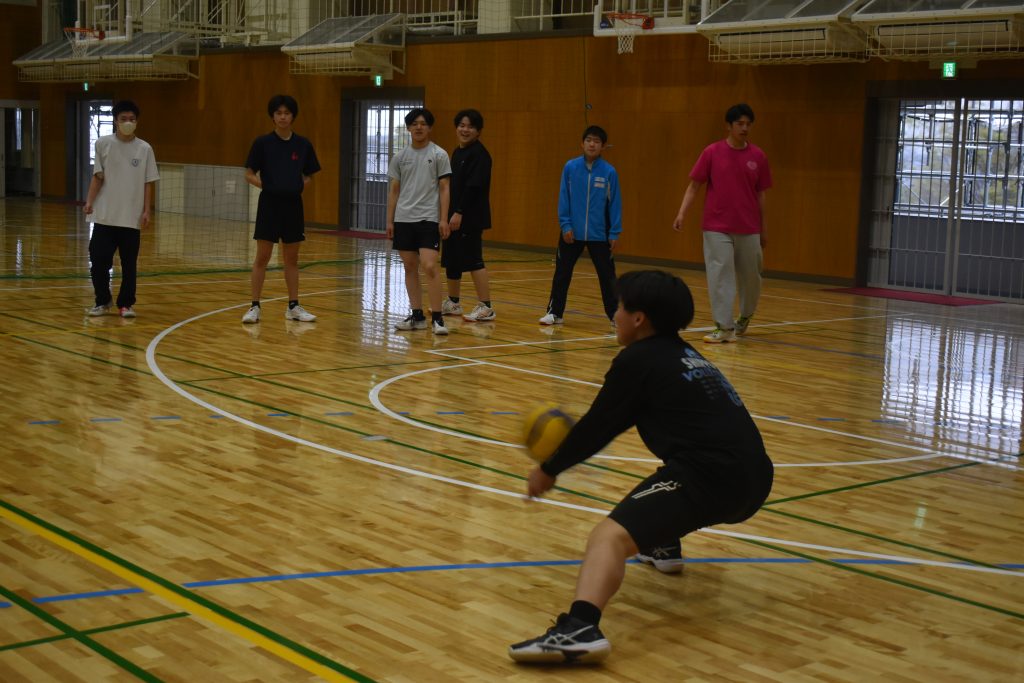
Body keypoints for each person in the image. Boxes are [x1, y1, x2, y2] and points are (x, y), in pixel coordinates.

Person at [509, 270, 774, 664]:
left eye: (619, 307)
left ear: (638, 318)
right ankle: (662, 544)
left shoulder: (637, 360)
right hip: (755, 477)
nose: (614, 314)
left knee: (607, 538)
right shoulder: (686, 354)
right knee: (669, 475)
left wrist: (549, 469)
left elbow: (598, 427)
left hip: (712, 478)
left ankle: (580, 629)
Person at [673, 103, 772, 343]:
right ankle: (724, 327)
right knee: (720, 275)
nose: (744, 128)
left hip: (749, 227)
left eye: (748, 124)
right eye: (740, 123)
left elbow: (761, 195)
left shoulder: (758, 156)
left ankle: (745, 316)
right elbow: (694, 186)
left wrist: (764, 228)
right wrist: (682, 213)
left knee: (751, 277)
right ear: (729, 126)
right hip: (716, 227)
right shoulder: (712, 152)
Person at [241, 94, 321, 324]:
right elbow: (248, 174)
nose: (283, 117)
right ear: (273, 116)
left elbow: (310, 175)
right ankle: (254, 306)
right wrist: (267, 186)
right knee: (262, 257)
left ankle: (293, 306)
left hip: (293, 206)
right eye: (279, 113)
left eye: (287, 113)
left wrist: (297, 186)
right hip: (269, 205)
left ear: (293, 116)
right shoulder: (262, 143)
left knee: (291, 258)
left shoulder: (303, 144)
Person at [539, 125, 622, 326]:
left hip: (600, 234)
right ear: (582, 143)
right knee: (562, 273)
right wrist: (565, 225)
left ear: (603, 146)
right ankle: (555, 312)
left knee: (607, 276)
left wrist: (614, 232)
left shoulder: (609, 172)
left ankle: (615, 315)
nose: (592, 144)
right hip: (571, 233)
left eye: (597, 141)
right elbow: (564, 197)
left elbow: (615, 204)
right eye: (588, 140)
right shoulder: (570, 167)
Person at [84, 100, 159, 319]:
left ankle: (126, 304)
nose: (128, 122)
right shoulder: (103, 144)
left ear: (137, 121)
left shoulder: (145, 149)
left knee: (129, 265)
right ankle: (102, 300)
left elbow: (148, 182)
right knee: (98, 261)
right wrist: (89, 201)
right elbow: (98, 177)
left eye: (132, 119)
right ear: (116, 121)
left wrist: (147, 210)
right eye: (124, 119)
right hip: (104, 216)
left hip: (131, 218)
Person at [387, 108, 453, 335]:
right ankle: (417, 316)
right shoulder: (400, 157)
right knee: (409, 266)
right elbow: (394, 191)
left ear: (430, 127)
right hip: (404, 219)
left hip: (428, 219)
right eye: (414, 123)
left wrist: (443, 219)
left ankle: (437, 319)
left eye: (423, 123)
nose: (419, 127)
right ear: (408, 128)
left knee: (430, 266)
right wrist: (390, 221)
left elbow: (444, 188)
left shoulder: (439, 154)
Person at [440, 109, 496, 323]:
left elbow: (473, 188)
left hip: (469, 217)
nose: (465, 130)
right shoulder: (457, 152)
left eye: (470, 126)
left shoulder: (480, 155)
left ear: (478, 131)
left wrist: (459, 212)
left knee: (473, 260)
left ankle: (486, 307)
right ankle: (453, 302)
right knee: (451, 259)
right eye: (462, 125)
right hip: (453, 215)